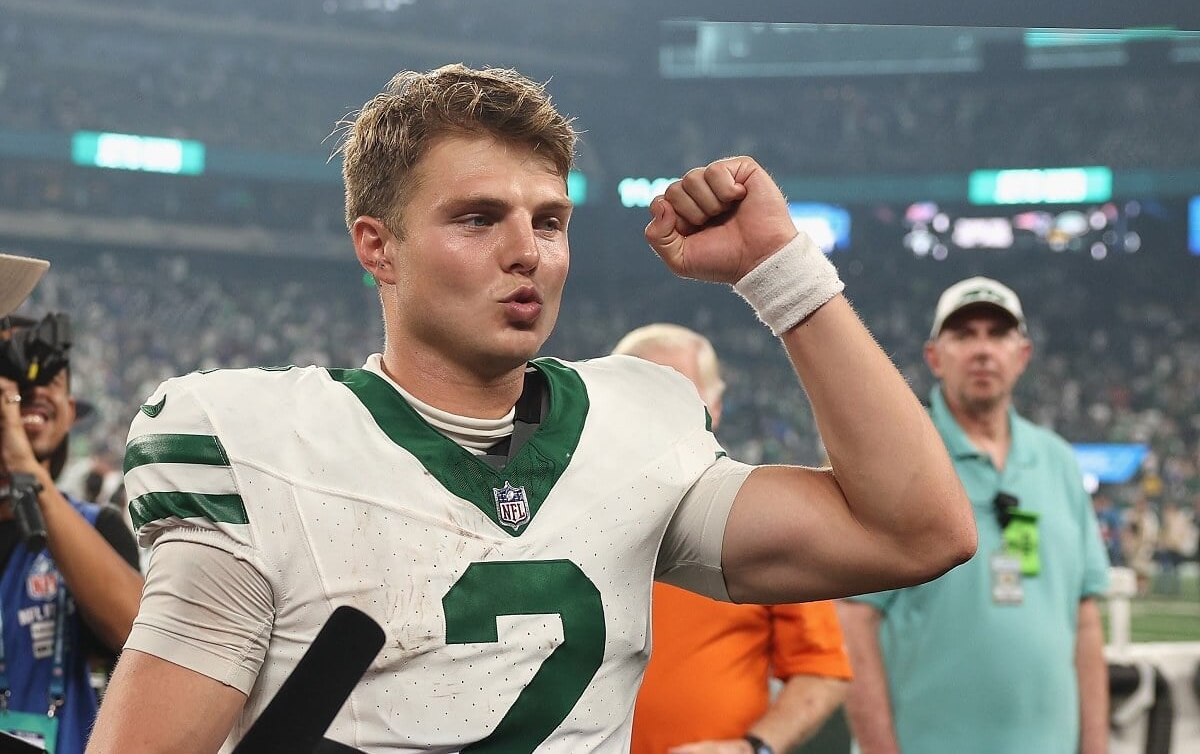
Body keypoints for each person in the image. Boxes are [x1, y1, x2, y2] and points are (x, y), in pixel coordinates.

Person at [88, 63, 974, 753]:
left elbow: (917, 533)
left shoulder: (640, 426)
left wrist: (778, 268)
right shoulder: (253, 443)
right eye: (477, 219)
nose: (527, 252)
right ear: (377, 246)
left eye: (549, 221)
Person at [837, 276, 1110, 754]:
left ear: (1022, 355)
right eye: (964, 335)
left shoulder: (1058, 462)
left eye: (997, 334)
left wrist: (1096, 746)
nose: (982, 350)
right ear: (934, 357)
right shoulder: (899, 459)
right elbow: (855, 624)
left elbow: (1084, 619)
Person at [614, 323, 851, 754]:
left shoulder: (763, 520)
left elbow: (822, 669)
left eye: (677, 392)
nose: (653, 410)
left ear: (714, 407)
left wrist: (753, 747)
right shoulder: (562, 514)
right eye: (636, 393)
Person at [0, 256, 144, 754]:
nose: (38, 389)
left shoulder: (96, 526)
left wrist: (21, 462)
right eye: (18, 372)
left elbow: (134, 632)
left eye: (55, 382)